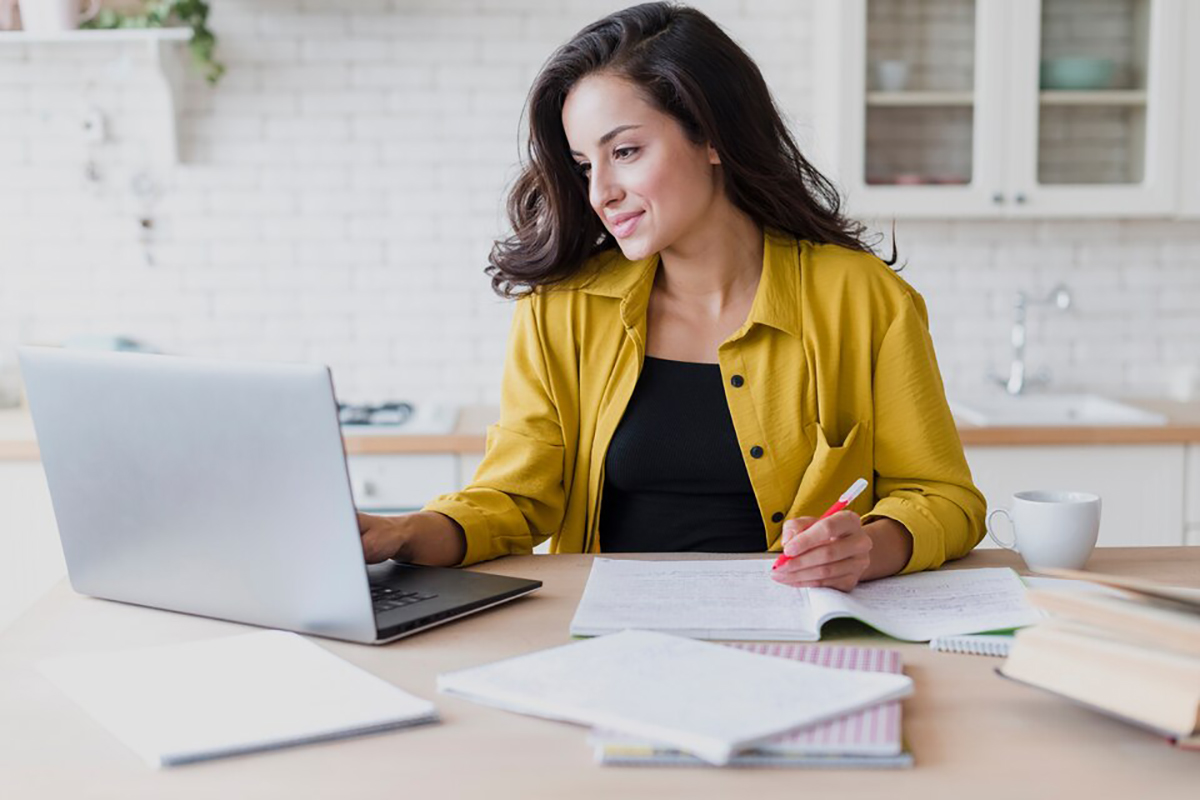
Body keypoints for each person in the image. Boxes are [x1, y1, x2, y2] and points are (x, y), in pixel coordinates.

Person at [358, 2, 986, 591]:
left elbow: (944, 498)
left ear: (713, 137)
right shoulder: (562, 309)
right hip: (608, 631)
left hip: (792, 627)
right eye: (583, 166)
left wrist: (871, 547)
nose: (599, 192)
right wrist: (403, 530)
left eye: (625, 152)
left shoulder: (863, 299)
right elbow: (514, 500)